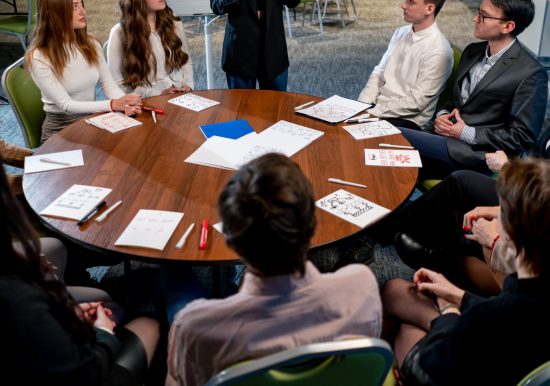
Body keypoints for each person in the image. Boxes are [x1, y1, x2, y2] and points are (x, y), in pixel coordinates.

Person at [166, 153, 382, 386]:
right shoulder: (363, 286)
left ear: (230, 242)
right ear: (313, 226)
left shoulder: (195, 326)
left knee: (171, 274)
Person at [382, 157, 550, 386]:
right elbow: (512, 312)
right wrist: (456, 295)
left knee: (397, 298)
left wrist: (450, 310)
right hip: (503, 357)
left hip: (448, 368)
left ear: (510, 236)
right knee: (399, 291)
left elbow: (431, 367)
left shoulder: (490, 318)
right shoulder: (523, 299)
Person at [0, 151, 159, 386]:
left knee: (105, 300)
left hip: (50, 341)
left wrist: (63, 313)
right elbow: (83, 374)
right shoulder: (18, 298)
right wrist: (104, 334)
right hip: (88, 371)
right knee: (149, 323)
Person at [400, 0, 548, 176]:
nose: (475, 19)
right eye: (478, 12)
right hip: (444, 137)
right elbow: (453, 100)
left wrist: (465, 132)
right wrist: (443, 115)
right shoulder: (473, 51)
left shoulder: (531, 73)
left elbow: (523, 137)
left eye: (483, 16)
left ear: (508, 26)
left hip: (476, 154)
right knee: (389, 152)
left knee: (393, 136)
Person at [390, 122, 550, 295]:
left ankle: (437, 262)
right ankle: (431, 249)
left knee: (462, 189)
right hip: (529, 201)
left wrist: (507, 170)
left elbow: (540, 195)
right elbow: (538, 178)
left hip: (535, 221)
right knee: (463, 213)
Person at [25, 0, 142, 143]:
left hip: (92, 120)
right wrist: (114, 104)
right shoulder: (38, 56)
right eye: (74, 7)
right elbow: (67, 105)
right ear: (55, 12)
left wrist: (126, 103)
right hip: (61, 129)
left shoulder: (91, 43)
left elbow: (108, 84)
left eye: (81, 4)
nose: (83, 11)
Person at [358, 0, 453, 130]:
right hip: (379, 109)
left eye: (411, 1)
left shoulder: (439, 50)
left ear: (430, 8)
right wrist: (361, 105)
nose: (403, 5)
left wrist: (373, 112)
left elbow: (416, 102)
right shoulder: (400, 32)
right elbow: (379, 73)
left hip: (407, 120)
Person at [108, 0, 194, 97]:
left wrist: (188, 84)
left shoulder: (173, 21)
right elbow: (118, 85)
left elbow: (185, 61)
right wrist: (157, 94)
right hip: (147, 100)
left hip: (180, 93)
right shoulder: (119, 33)